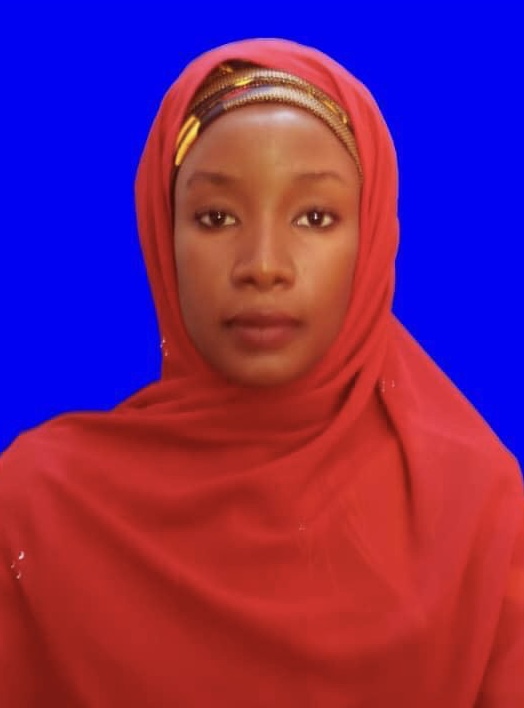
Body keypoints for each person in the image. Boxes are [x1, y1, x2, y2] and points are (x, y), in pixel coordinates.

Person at [0, 38, 522, 707]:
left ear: (372, 238)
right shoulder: (38, 510)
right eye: (217, 218)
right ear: (162, 234)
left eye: (315, 217)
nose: (264, 264)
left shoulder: (476, 510)